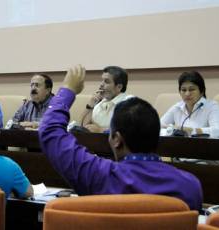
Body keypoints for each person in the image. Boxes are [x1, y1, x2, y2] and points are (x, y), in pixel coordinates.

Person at [38, 65, 202, 210]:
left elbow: (50, 131)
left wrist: (68, 89)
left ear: (116, 139)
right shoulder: (190, 186)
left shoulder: (99, 175)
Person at [160, 71, 219, 138]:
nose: (187, 94)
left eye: (191, 89)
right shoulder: (177, 107)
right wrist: (170, 130)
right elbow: (158, 126)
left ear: (202, 91)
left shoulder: (212, 106)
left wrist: (192, 131)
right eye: (184, 90)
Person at [81, 66, 133, 133]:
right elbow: (84, 126)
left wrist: (101, 130)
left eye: (107, 81)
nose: (101, 84)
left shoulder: (130, 103)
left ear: (119, 87)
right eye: (102, 80)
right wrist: (90, 106)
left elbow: (129, 132)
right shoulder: (101, 102)